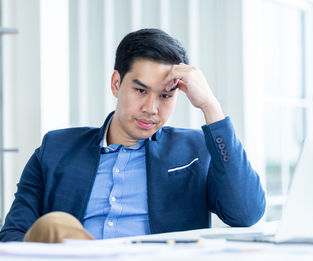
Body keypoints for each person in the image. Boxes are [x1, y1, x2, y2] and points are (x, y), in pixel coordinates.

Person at [0, 28, 266, 242]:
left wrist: (211, 106)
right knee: (54, 226)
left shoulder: (195, 149)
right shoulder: (56, 148)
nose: (151, 109)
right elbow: (13, 236)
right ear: (116, 84)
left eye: (165, 96)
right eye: (140, 91)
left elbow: (246, 214)